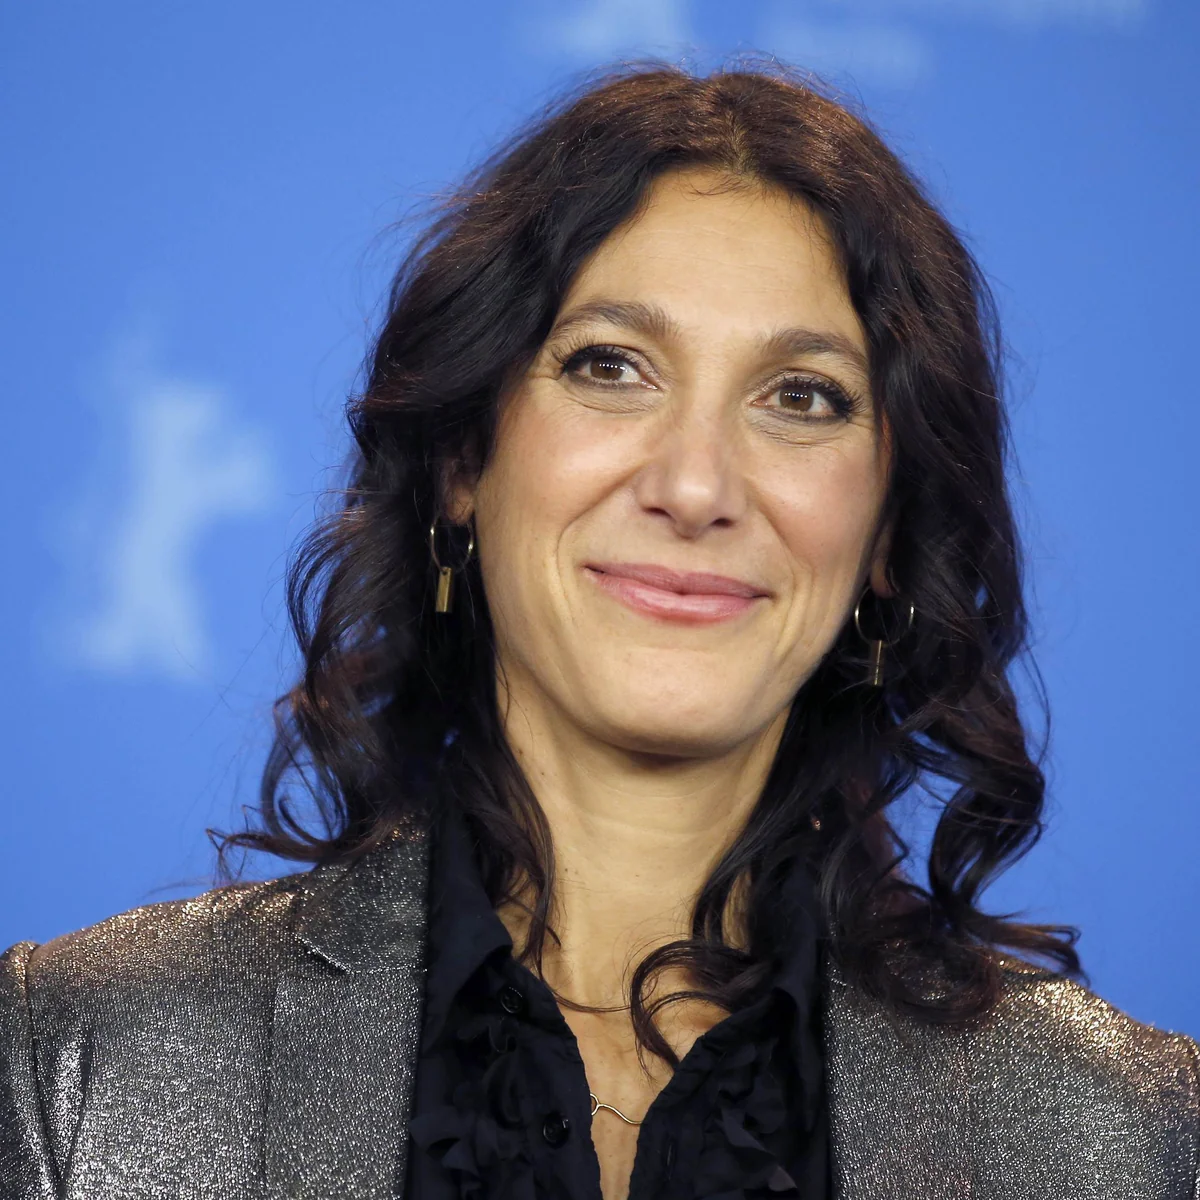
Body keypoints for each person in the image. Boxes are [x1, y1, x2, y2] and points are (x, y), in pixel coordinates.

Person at [1, 63, 1196, 1200]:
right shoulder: (80, 1063)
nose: (695, 485)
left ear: (886, 530)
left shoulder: (1129, 1137)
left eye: (801, 397)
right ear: (464, 462)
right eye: (612, 367)